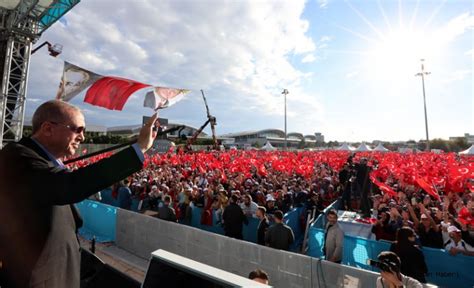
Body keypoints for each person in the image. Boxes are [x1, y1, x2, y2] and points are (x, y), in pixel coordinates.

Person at [0, 100, 157, 288]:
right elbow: (69, 185)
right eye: (78, 129)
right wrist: (139, 149)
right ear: (48, 128)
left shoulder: (44, 164)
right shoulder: (17, 156)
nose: (83, 137)